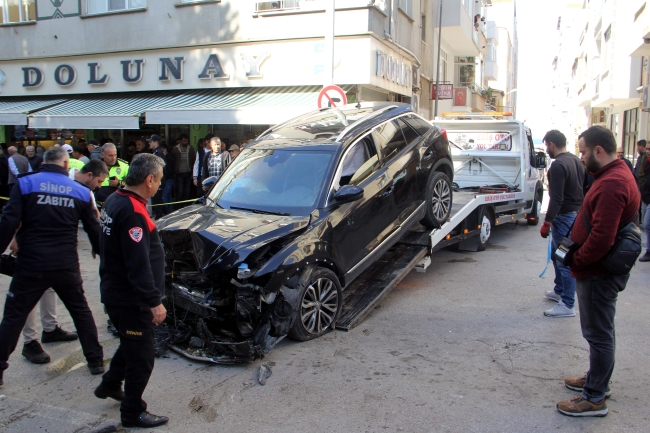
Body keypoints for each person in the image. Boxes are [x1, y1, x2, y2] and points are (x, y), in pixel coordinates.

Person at [0, 147, 105, 387]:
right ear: (67, 165)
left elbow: (9, 221)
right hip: (65, 264)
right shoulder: (79, 191)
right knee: (81, 312)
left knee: (13, 317)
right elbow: (93, 228)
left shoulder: (26, 184)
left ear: (43, 162)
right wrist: (102, 254)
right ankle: (95, 361)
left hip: (31, 264)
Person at [556, 126, 640, 417]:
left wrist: (578, 261)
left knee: (599, 334)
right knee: (600, 332)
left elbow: (602, 238)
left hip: (598, 273)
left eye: (583, 151)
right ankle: (595, 381)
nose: (580, 157)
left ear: (599, 151)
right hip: (597, 270)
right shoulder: (612, 175)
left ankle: (594, 398)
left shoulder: (613, 183)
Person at [96, 153, 169, 428]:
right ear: (149, 179)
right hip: (131, 300)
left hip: (115, 292)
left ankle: (110, 384)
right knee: (142, 357)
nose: (160, 185)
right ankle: (132, 412)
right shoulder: (133, 211)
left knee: (131, 344)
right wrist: (154, 302)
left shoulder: (117, 199)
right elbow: (137, 264)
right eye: (159, 180)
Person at [17, 159, 108, 364]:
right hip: (33, 252)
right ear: (89, 175)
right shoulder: (48, 182)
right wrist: (15, 237)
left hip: (62, 255)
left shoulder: (85, 191)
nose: (99, 186)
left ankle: (50, 329)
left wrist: (97, 246)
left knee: (49, 291)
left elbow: (94, 219)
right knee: (29, 299)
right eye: (99, 181)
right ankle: (29, 341)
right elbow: (18, 212)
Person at [540, 130, 585, 318]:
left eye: (546, 146)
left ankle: (567, 304)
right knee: (557, 256)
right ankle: (559, 290)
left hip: (564, 218)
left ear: (551, 144)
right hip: (574, 215)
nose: (546, 150)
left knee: (564, 259)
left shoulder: (558, 165)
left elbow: (556, 198)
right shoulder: (576, 161)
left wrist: (547, 221)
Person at [172, 133, 195, 205]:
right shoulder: (175, 148)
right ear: (181, 140)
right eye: (184, 141)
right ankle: (178, 207)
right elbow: (173, 160)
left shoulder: (191, 148)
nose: (186, 142)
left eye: (187, 141)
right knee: (180, 191)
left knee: (187, 192)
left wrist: (192, 173)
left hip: (188, 172)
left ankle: (185, 206)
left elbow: (194, 160)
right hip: (179, 173)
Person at [147, 135, 165, 218]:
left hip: (158, 179)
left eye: (151, 141)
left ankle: (159, 216)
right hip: (156, 179)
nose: (149, 143)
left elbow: (158, 168)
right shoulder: (156, 152)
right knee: (156, 198)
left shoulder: (159, 153)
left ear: (156, 142)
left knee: (157, 198)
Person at [638, 142, 650, 262]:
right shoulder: (645, 161)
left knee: (647, 224)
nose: (648, 151)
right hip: (645, 195)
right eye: (647, 148)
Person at [634, 139, 647, 225]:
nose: (637, 149)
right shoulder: (640, 158)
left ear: (642, 146)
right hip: (639, 184)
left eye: (638, 147)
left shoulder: (645, 158)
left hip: (644, 186)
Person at [161, 143, 176, 215]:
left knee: (164, 196)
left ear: (165, 149)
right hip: (169, 178)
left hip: (168, 178)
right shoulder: (168, 156)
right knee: (168, 195)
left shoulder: (168, 157)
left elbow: (169, 169)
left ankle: (165, 213)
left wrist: (164, 177)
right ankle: (169, 211)